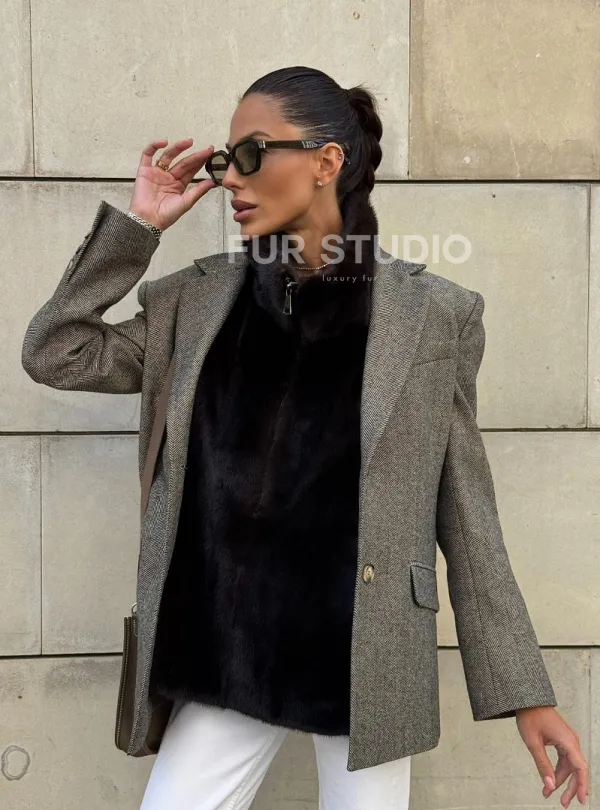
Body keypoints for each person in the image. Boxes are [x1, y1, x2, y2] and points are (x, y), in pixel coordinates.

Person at [21, 66, 589, 810]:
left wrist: (525, 694)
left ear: (327, 162)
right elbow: (57, 352)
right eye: (226, 159)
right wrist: (140, 228)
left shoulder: (430, 318)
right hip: (228, 655)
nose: (231, 178)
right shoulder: (199, 303)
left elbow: (466, 513)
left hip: (365, 663)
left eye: (252, 154)